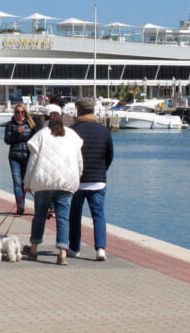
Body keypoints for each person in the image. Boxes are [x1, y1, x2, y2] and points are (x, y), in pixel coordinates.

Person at [23, 104, 83, 265]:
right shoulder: (71, 135)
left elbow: (32, 162)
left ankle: (34, 248)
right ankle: (62, 252)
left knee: (40, 216)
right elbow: (79, 161)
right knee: (63, 217)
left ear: (45, 117)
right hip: (66, 181)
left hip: (43, 182)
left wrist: (26, 183)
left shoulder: (41, 135)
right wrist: (78, 175)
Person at [68, 98, 114, 261]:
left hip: (77, 180)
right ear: (93, 111)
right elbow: (109, 155)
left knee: (74, 215)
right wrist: (102, 170)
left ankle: (74, 248)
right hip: (98, 179)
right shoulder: (103, 130)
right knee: (98, 214)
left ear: (78, 111)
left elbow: (68, 157)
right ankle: (100, 249)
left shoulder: (72, 131)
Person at [3, 103, 36, 215]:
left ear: (25, 113)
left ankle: (45, 205)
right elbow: (7, 140)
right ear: (14, 113)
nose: (20, 114)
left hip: (27, 156)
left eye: (22, 112)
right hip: (14, 156)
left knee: (28, 182)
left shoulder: (31, 125)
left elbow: (35, 141)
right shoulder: (10, 125)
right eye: (18, 112)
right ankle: (20, 206)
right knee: (17, 182)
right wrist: (17, 132)